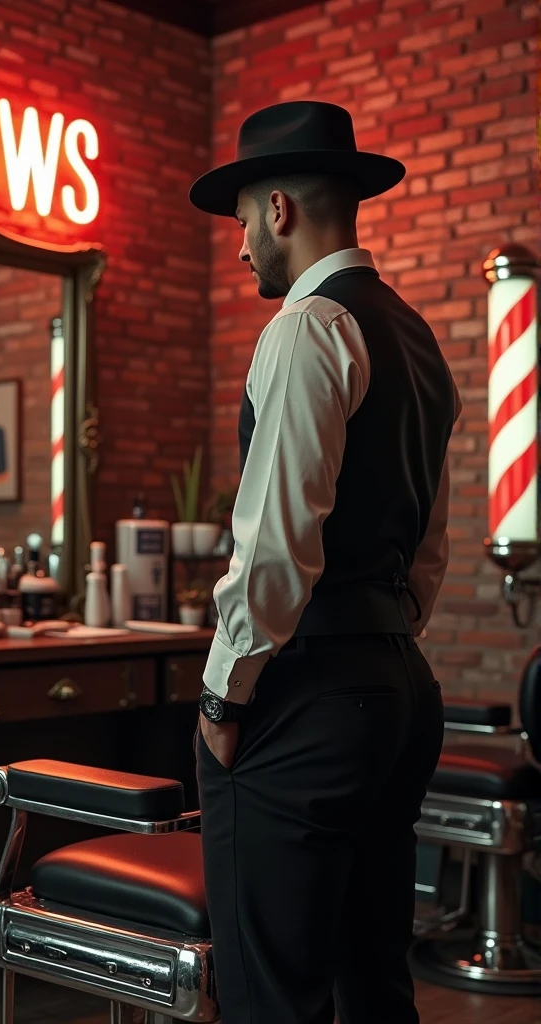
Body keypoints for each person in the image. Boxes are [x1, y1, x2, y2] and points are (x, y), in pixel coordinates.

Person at [189, 101, 461, 1024]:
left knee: (275, 998)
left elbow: (272, 545)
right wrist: (383, 645)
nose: (239, 253)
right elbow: (429, 542)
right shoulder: (414, 337)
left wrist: (226, 696)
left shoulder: (308, 328)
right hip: (396, 690)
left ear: (276, 211)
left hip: (307, 700)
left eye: (239, 228)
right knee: (374, 983)